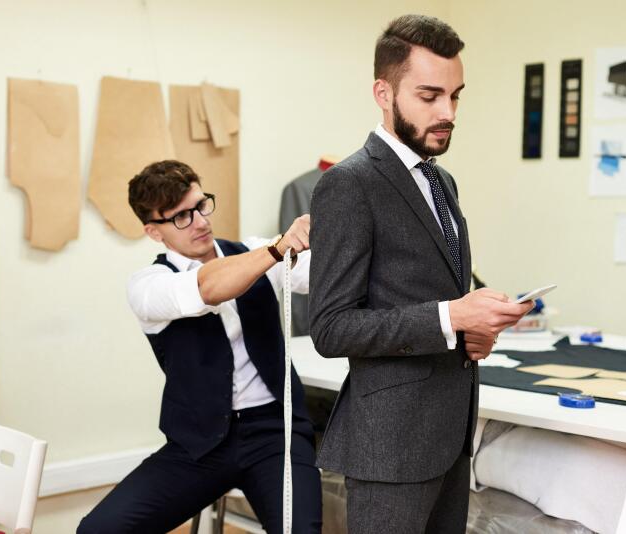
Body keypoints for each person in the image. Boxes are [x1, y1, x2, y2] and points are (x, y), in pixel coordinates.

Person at [308, 14, 534, 533]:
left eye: (456, 96)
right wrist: (451, 315)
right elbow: (331, 327)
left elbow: (429, 297)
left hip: (450, 433)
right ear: (383, 93)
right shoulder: (348, 184)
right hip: (390, 446)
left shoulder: (443, 181)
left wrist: (473, 328)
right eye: (430, 96)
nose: (448, 112)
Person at [78, 160, 322, 533]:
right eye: (181, 217)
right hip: (199, 445)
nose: (200, 221)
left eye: (201, 205)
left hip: (276, 434)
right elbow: (206, 289)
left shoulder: (255, 252)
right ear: (153, 231)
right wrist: (277, 249)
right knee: (99, 530)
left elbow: (325, 274)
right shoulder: (149, 285)